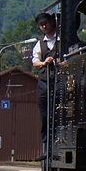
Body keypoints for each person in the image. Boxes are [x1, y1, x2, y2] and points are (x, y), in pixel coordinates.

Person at [33, 12, 60, 156]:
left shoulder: (62, 40)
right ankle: (46, 145)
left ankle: (57, 141)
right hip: (44, 81)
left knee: (57, 113)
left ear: (52, 22)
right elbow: (35, 61)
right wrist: (44, 63)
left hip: (60, 81)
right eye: (41, 25)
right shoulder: (39, 44)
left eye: (46, 23)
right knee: (44, 113)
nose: (44, 26)